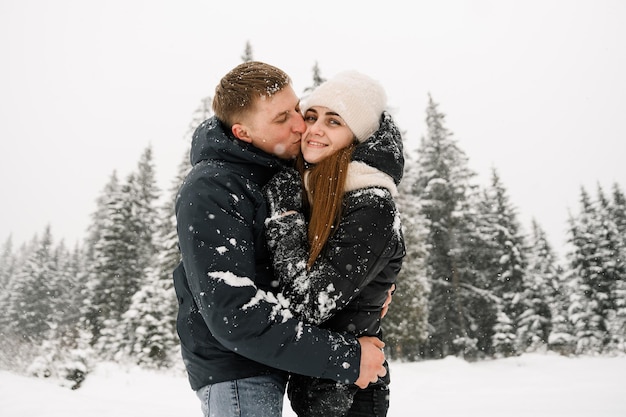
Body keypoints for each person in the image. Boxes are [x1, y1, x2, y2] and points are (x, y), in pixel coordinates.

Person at [172, 61, 388, 417]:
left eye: (296, 109)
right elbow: (235, 314)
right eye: (281, 119)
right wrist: (346, 357)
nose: (300, 125)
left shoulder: (278, 173)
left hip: (272, 363)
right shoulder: (213, 188)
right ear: (243, 133)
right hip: (237, 374)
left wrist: (368, 290)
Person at [263, 71, 406, 417]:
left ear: (357, 136)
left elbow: (313, 302)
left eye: (334, 121)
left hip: (349, 397)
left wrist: (285, 217)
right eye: (311, 117)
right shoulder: (317, 187)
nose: (315, 129)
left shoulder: (371, 204)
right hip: (320, 386)